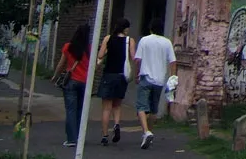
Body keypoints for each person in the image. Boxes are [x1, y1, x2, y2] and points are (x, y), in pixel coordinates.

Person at [132, 18, 176, 150]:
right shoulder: (167, 42)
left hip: (145, 77)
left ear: (150, 28)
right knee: (153, 109)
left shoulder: (145, 40)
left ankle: (146, 132)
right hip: (160, 80)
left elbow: (138, 60)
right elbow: (173, 62)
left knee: (141, 106)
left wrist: (136, 75)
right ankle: (149, 134)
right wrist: (172, 78)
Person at [96, 17, 136, 146]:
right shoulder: (130, 41)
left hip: (109, 75)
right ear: (125, 28)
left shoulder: (108, 38)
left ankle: (104, 135)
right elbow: (133, 57)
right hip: (121, 76)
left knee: (106, 108)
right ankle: (117, 125)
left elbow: (100, 55)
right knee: (117, 105)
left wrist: (108, 51)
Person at [52, 24, 90, 148]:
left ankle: (71, 139)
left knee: (71, 110)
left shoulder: (68, 47)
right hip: (85, 83)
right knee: (80, 110)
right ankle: (80, 137)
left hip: (71, 81)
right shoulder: (89, 49)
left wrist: (55, 76)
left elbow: (61, 64)